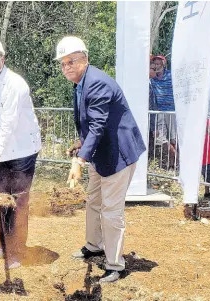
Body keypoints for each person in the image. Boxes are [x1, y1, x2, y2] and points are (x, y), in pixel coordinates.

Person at [57, 36, 146, 283]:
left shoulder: (96, 83)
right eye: (63, 63)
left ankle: (115, 264)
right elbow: (91, 125)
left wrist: (80, 160)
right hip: (100, 153)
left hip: (117, 155)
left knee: (111, 211)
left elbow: (98, 125)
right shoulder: (82, 83)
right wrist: (80, 143)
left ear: (85, 59)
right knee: (93, 200)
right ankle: (94, 245)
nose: (67, 68)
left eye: (71, 61)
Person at [0, 37, 41, 269]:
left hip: (22, 150)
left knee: (18, 202)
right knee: (2, 201)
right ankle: (3, 246)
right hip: (1, 150)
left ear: (3, 58)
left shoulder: (15, 84)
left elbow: (9, 122)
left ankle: (17, 251)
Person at [150, 55, 178, 167]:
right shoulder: (152, 78)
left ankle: (174, 164)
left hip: (172, 110)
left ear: (163, 64)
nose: (157, 66)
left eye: (158, 63)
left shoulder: (171, 75)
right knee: (161, 138)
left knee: (173, 138)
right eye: (155, 63)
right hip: (159, 111)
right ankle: (174, 158)